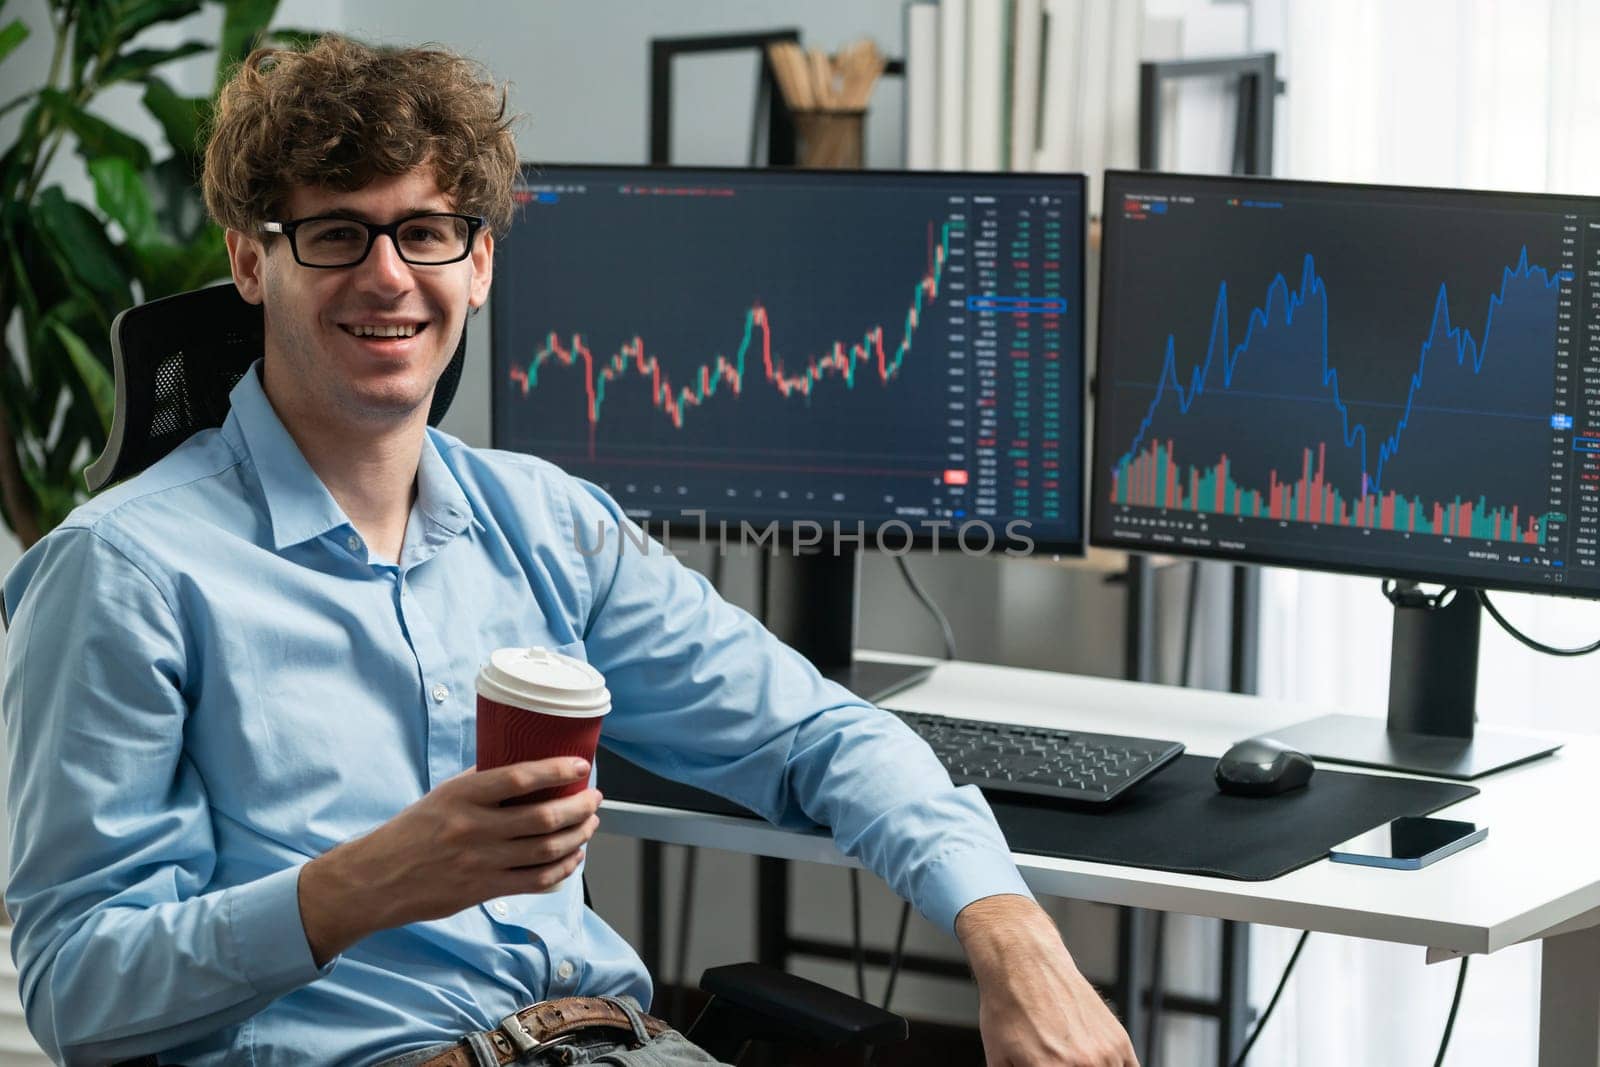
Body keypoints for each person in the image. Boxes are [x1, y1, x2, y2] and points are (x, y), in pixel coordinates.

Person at [0, 34, 1138, 1067]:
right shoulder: (126, 570)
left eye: (428, 231)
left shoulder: (547, 523)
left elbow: (816, 732)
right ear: (253, 264)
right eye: (336, 232)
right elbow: (76, 987)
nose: (389, 275)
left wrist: (1010, 931)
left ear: (479, 263)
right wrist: (352, 887)